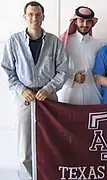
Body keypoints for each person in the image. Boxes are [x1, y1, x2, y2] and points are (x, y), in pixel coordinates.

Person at [1, 1, 69, 179]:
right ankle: (27, 177)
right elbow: (7, 70)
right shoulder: (14, 42)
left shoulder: (54, 41)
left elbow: (63, 70)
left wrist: (49, 89)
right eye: (30, 14)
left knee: (51, 141)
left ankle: (50, 175)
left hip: (49, 100)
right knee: (25, 147)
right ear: (25, 17)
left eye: (38, 14)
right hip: (25, 98)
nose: (34, 18)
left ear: (43, 17)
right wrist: (21, 89)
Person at [58, 6, 102, 105]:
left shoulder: (97, 44)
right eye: (81, 21)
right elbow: (55, 68)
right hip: (68, 95)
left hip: (91, 95)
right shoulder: (63, 42)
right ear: (75, 22)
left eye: (88, 21)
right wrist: (72, 78)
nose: (85, 25)